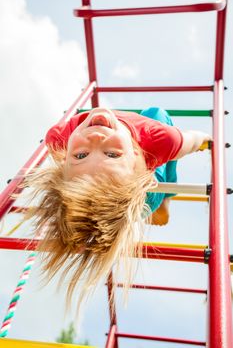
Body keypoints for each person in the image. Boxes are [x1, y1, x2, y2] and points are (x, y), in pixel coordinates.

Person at [25, 107, 211, 309]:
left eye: (80, 156)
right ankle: (164, 203)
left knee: (100, 202)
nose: (95, 138)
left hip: (115, 187)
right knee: (162, 127)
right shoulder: (159, 137)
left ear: (65, 159)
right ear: (139, 154)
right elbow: (191, 140)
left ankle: (97, 221)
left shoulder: (60, 138)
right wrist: (205, 139)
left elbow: (68, 181)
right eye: (112, 154)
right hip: (147, 191)